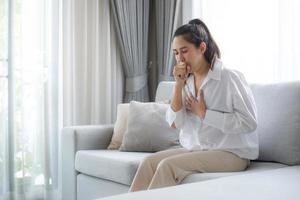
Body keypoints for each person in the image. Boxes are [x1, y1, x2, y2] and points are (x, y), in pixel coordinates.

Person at [129, 18, 258, 192]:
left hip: (232, 153)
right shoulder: (186, 82)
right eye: (175, 53)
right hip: (199, 149)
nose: (179, 59)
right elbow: (175, 123)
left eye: (184, 51)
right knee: (148, 163)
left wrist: (205, 114)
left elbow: (249, 122)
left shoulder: (229, 78)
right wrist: (178, 85)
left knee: (167, 166)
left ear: (202, 48)